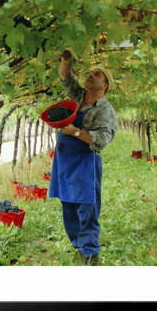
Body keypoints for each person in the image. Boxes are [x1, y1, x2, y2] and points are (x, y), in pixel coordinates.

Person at [48, 50, 117, 265]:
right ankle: (80, 247)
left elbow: (103, 139)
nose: (91, 74)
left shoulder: (105, 110)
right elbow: (65, 76)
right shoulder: (77, 96)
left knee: (87, 209)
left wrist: (75, 132)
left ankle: (90, 255)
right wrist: (67, 60)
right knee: (68, 207)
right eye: (91, 72)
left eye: (97, 74)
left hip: (85, 163)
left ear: (104, 85)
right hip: (64, 163)